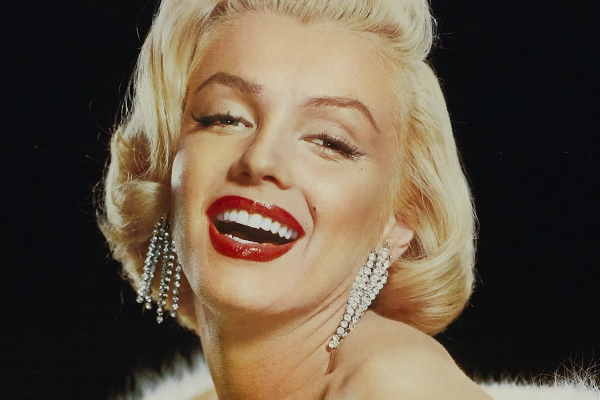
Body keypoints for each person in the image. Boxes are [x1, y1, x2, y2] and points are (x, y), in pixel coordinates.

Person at [98, 0, 596, 399]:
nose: (261, 159)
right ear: (166, 163)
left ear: (401, 219)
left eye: (330, 141)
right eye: (224, 117)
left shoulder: (397, 386)